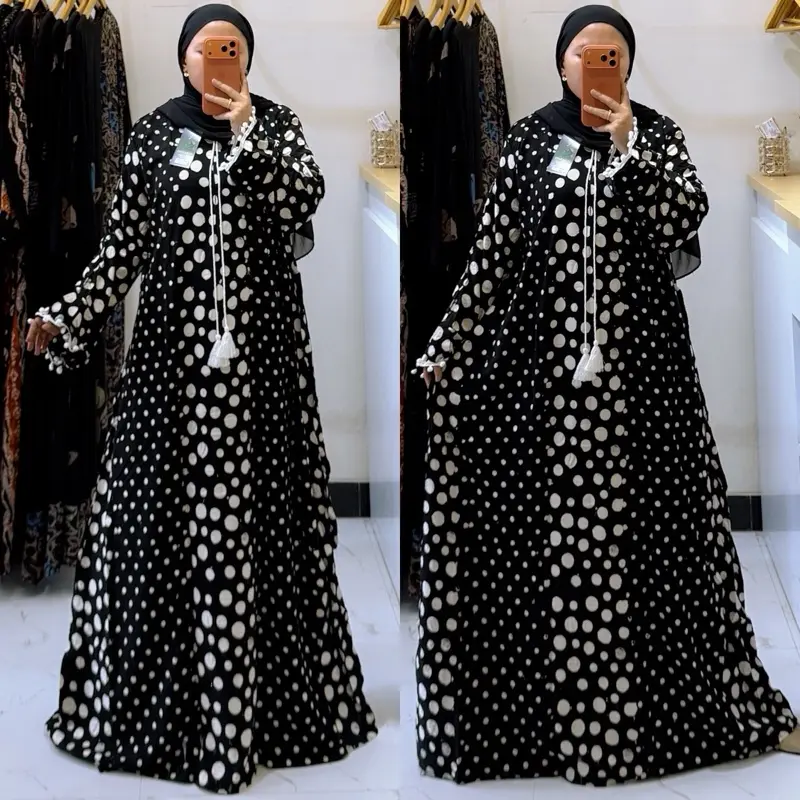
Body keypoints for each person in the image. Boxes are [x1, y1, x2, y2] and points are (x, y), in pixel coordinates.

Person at [414, 4, 799, 788]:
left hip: (644, 379)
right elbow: (493, 256)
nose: (599, 64)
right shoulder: (529, 141)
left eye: (613, 53)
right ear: (562, 63)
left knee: (657, 532)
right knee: (552, 536)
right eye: (586, 53)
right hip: (542, 376)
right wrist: (445, 347)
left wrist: (628, 149)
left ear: (628, 63)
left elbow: (683, 219)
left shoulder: (656, 135)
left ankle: (672, 709)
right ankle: (552, 726)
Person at [27, 4, 377, 794]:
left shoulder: (275, 126)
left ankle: (266, 709)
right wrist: (67, 315)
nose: (221, 57)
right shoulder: (154, 134)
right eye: (207, 47)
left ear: (247, 58)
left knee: (263, 520)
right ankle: (169, 707)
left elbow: (301, 199)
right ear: (184, 57)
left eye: (234, 47)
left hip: (263, 368)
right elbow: (124, 248)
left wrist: (247, 129)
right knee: (154, 517)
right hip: (171, 367)